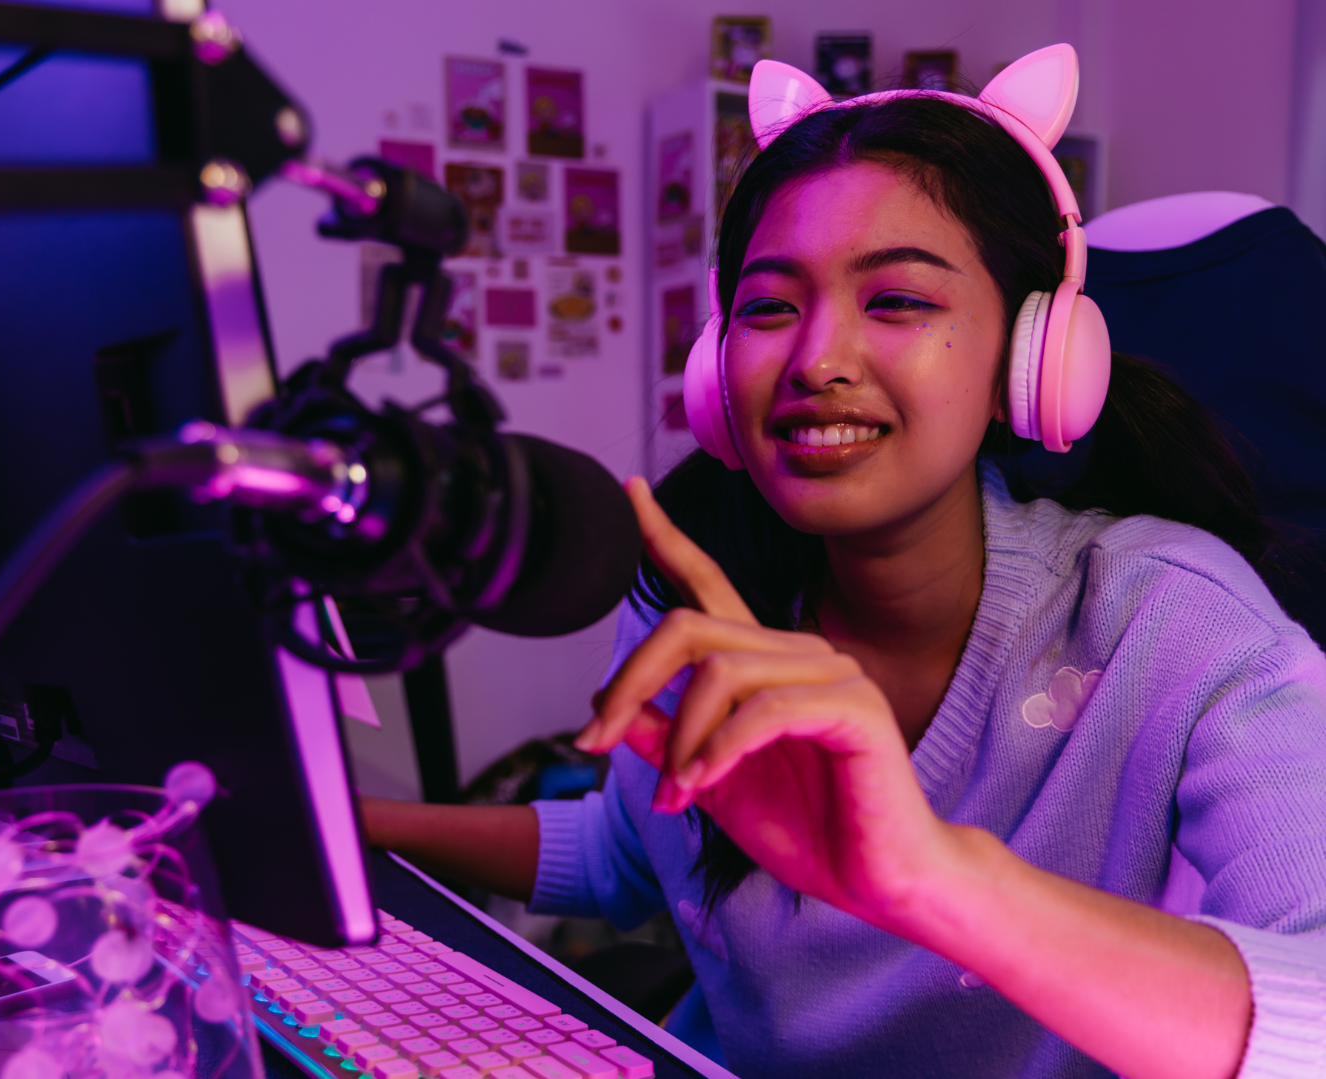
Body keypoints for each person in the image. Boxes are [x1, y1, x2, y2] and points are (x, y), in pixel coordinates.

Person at [362, 46, 1326, 1079]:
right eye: (770, 307)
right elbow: (626, 853)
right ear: (716, 370)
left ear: (1030, 357)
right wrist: (340, 822)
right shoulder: (701, 590)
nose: (816, 360)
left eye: (897, 300)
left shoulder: (1172, 622)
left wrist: (932, 875)